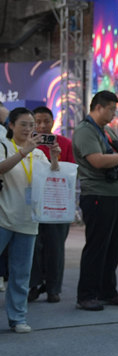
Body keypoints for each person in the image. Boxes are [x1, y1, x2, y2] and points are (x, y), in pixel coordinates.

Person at [72, 91, 118, 311]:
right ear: (99, 107)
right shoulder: (85, 131)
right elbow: (97, 161)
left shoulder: (108, 130)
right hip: (98, 195)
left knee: (114, 246)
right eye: (112, 109)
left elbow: (116, 157)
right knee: (97, 246)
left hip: (115, 194)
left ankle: (107, 290)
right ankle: (86, 294)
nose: (114, 113)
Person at [0, 108, 60, 332]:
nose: (29, 129)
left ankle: (18, 318)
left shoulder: (38, 152)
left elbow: (52, 177)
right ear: (11, 126)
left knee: (21, 273)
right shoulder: (4, 146)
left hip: (29, 220)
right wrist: (24, 152)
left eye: (31, 124)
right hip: (3, 217)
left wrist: (54, 157)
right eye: (23, 124)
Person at [27, 106, 75, 303]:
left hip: (57, 202)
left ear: (53, 122)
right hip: (32, 201)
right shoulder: (26, 144)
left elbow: (71, 172)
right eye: (37, 122)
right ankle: (33, 284)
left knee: (56, 246)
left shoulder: (64, 143)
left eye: (46, 121)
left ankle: (54, 287)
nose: (42, 126)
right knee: (33, 245)